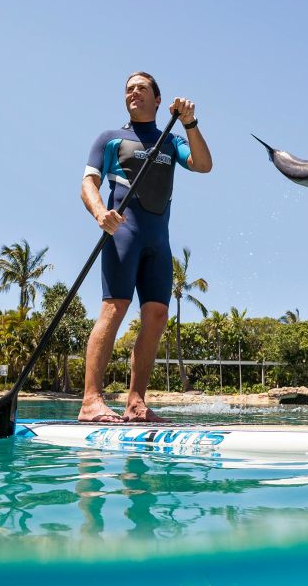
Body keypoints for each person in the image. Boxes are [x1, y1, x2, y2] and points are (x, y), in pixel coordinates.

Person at [78, 72, 213, 424]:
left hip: (159, 240)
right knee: (114, 309)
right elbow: (87, 183)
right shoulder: (109, 138)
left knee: (156, 316)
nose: (133, 92)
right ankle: (91, 401)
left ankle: (136, 403)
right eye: (128, 88)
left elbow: (203, 165)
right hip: (123, 234)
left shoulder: (171, 139)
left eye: (142, 88)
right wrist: (99, 212)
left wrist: (190, 123)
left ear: (157, 100)